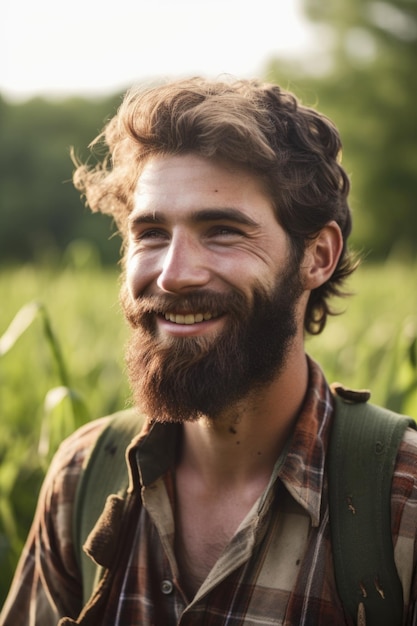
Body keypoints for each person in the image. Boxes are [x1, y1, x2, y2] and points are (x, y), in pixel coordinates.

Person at [1, 77, 416, 626]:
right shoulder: (83, 476)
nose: (173, 276)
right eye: (150, 233)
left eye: (221, 230)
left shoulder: (401, 499)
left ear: (317, 256)